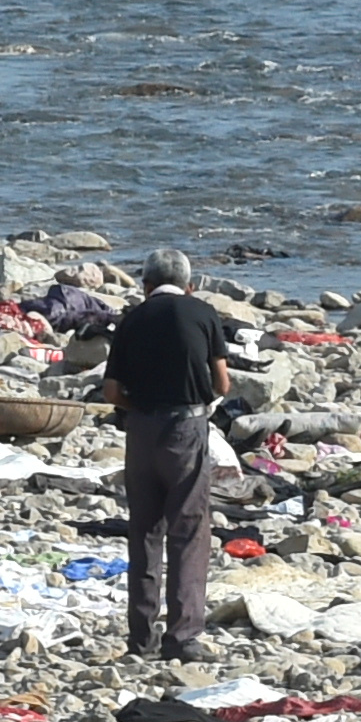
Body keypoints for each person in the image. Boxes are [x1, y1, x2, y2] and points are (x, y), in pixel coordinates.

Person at [102, 250, 237, 662]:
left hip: (140, 430)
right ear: (189, 285)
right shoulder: (202, 313)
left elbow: (111, 392)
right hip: (186, 428)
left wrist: (136, 404)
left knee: (143, 532)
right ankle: (182, 638)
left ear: (145, 285)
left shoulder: (132, 319)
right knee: (189, 531)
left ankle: (140, 639)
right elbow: (222, 383)